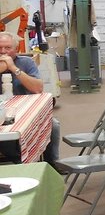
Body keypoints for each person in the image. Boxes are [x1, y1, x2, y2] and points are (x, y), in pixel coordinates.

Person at [0, 31, 60, 165]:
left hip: (25, 110)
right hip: (3, 113)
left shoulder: (25, 63)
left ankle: (52, 163)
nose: (3, 52)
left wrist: (13, 68)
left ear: (16, 49)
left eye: (7, 48)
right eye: (0, 48)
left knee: (53, 124)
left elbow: (38, 88)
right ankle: (22, 162)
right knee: (8, 136)